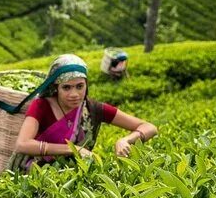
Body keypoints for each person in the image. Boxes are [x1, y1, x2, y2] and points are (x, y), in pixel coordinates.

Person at [9, 53, 157, 171]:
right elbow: (23, 144)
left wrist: (125, 140)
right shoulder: (42, 106)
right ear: (56, 88)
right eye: (66, 87)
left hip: (76, 174)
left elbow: (149, 127)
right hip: (36, 175)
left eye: (80, 86)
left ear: (86, 85)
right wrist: (72, 149)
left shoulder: (94, 109)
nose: (74, 94)